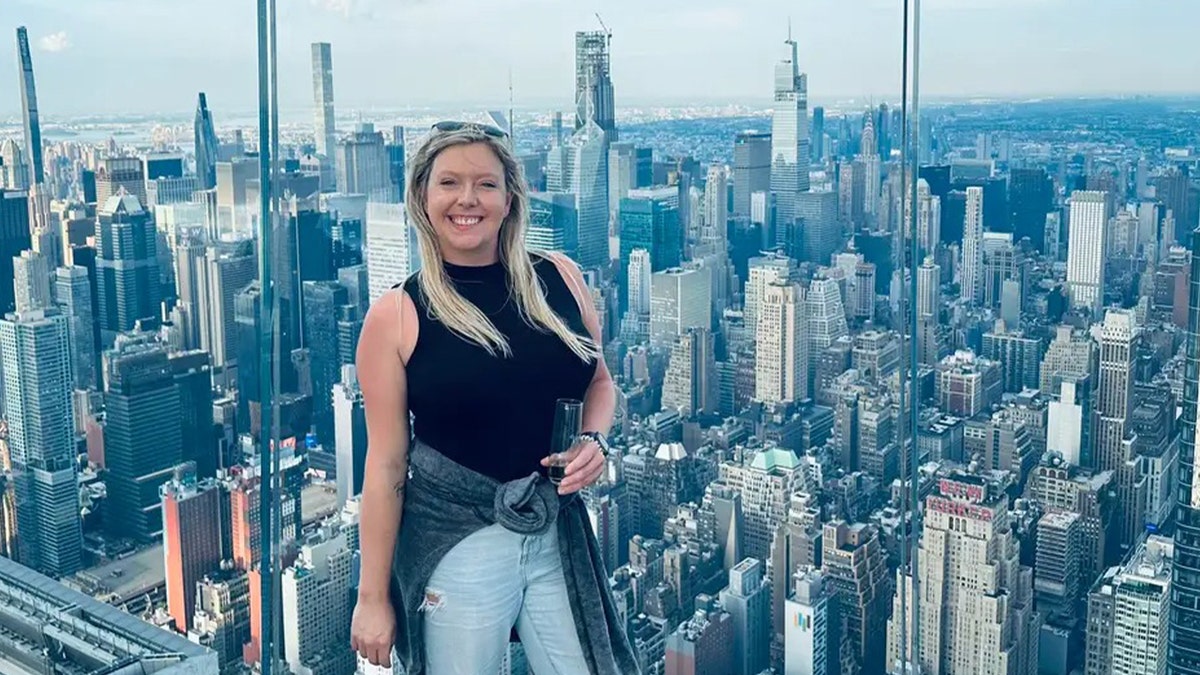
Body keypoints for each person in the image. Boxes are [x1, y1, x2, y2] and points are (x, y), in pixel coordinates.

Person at [349, 121, 638, 675]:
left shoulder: (561, 278)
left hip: (554, 526)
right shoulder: (396, 315)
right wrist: (372, 597)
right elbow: (385, 464)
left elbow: (600, 382)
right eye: (449, 183)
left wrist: (595, 441)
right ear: (423, 198)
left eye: (485, 184)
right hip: (457, 539)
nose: (468, 199)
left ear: (509, 200)